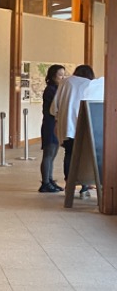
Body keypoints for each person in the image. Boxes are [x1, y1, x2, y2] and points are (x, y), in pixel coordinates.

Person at [52, 64, 95, 197]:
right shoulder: (90, 84)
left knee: (69, 153)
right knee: (85, 156)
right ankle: (84, 187)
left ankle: (69, 185)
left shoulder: (65, 82)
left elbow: (55, 106)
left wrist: (57, 119)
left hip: (67, 126)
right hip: (84, 126)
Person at [38, 65, 66, 193]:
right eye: (60, 75)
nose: (62, 77)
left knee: (53, 154)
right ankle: (45, 183)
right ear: (53, 76)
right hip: (50, 124)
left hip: (55, 123)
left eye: (63, 75)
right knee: (48, 154)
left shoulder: (57, 88)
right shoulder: (50, 89)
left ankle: (50, 179)